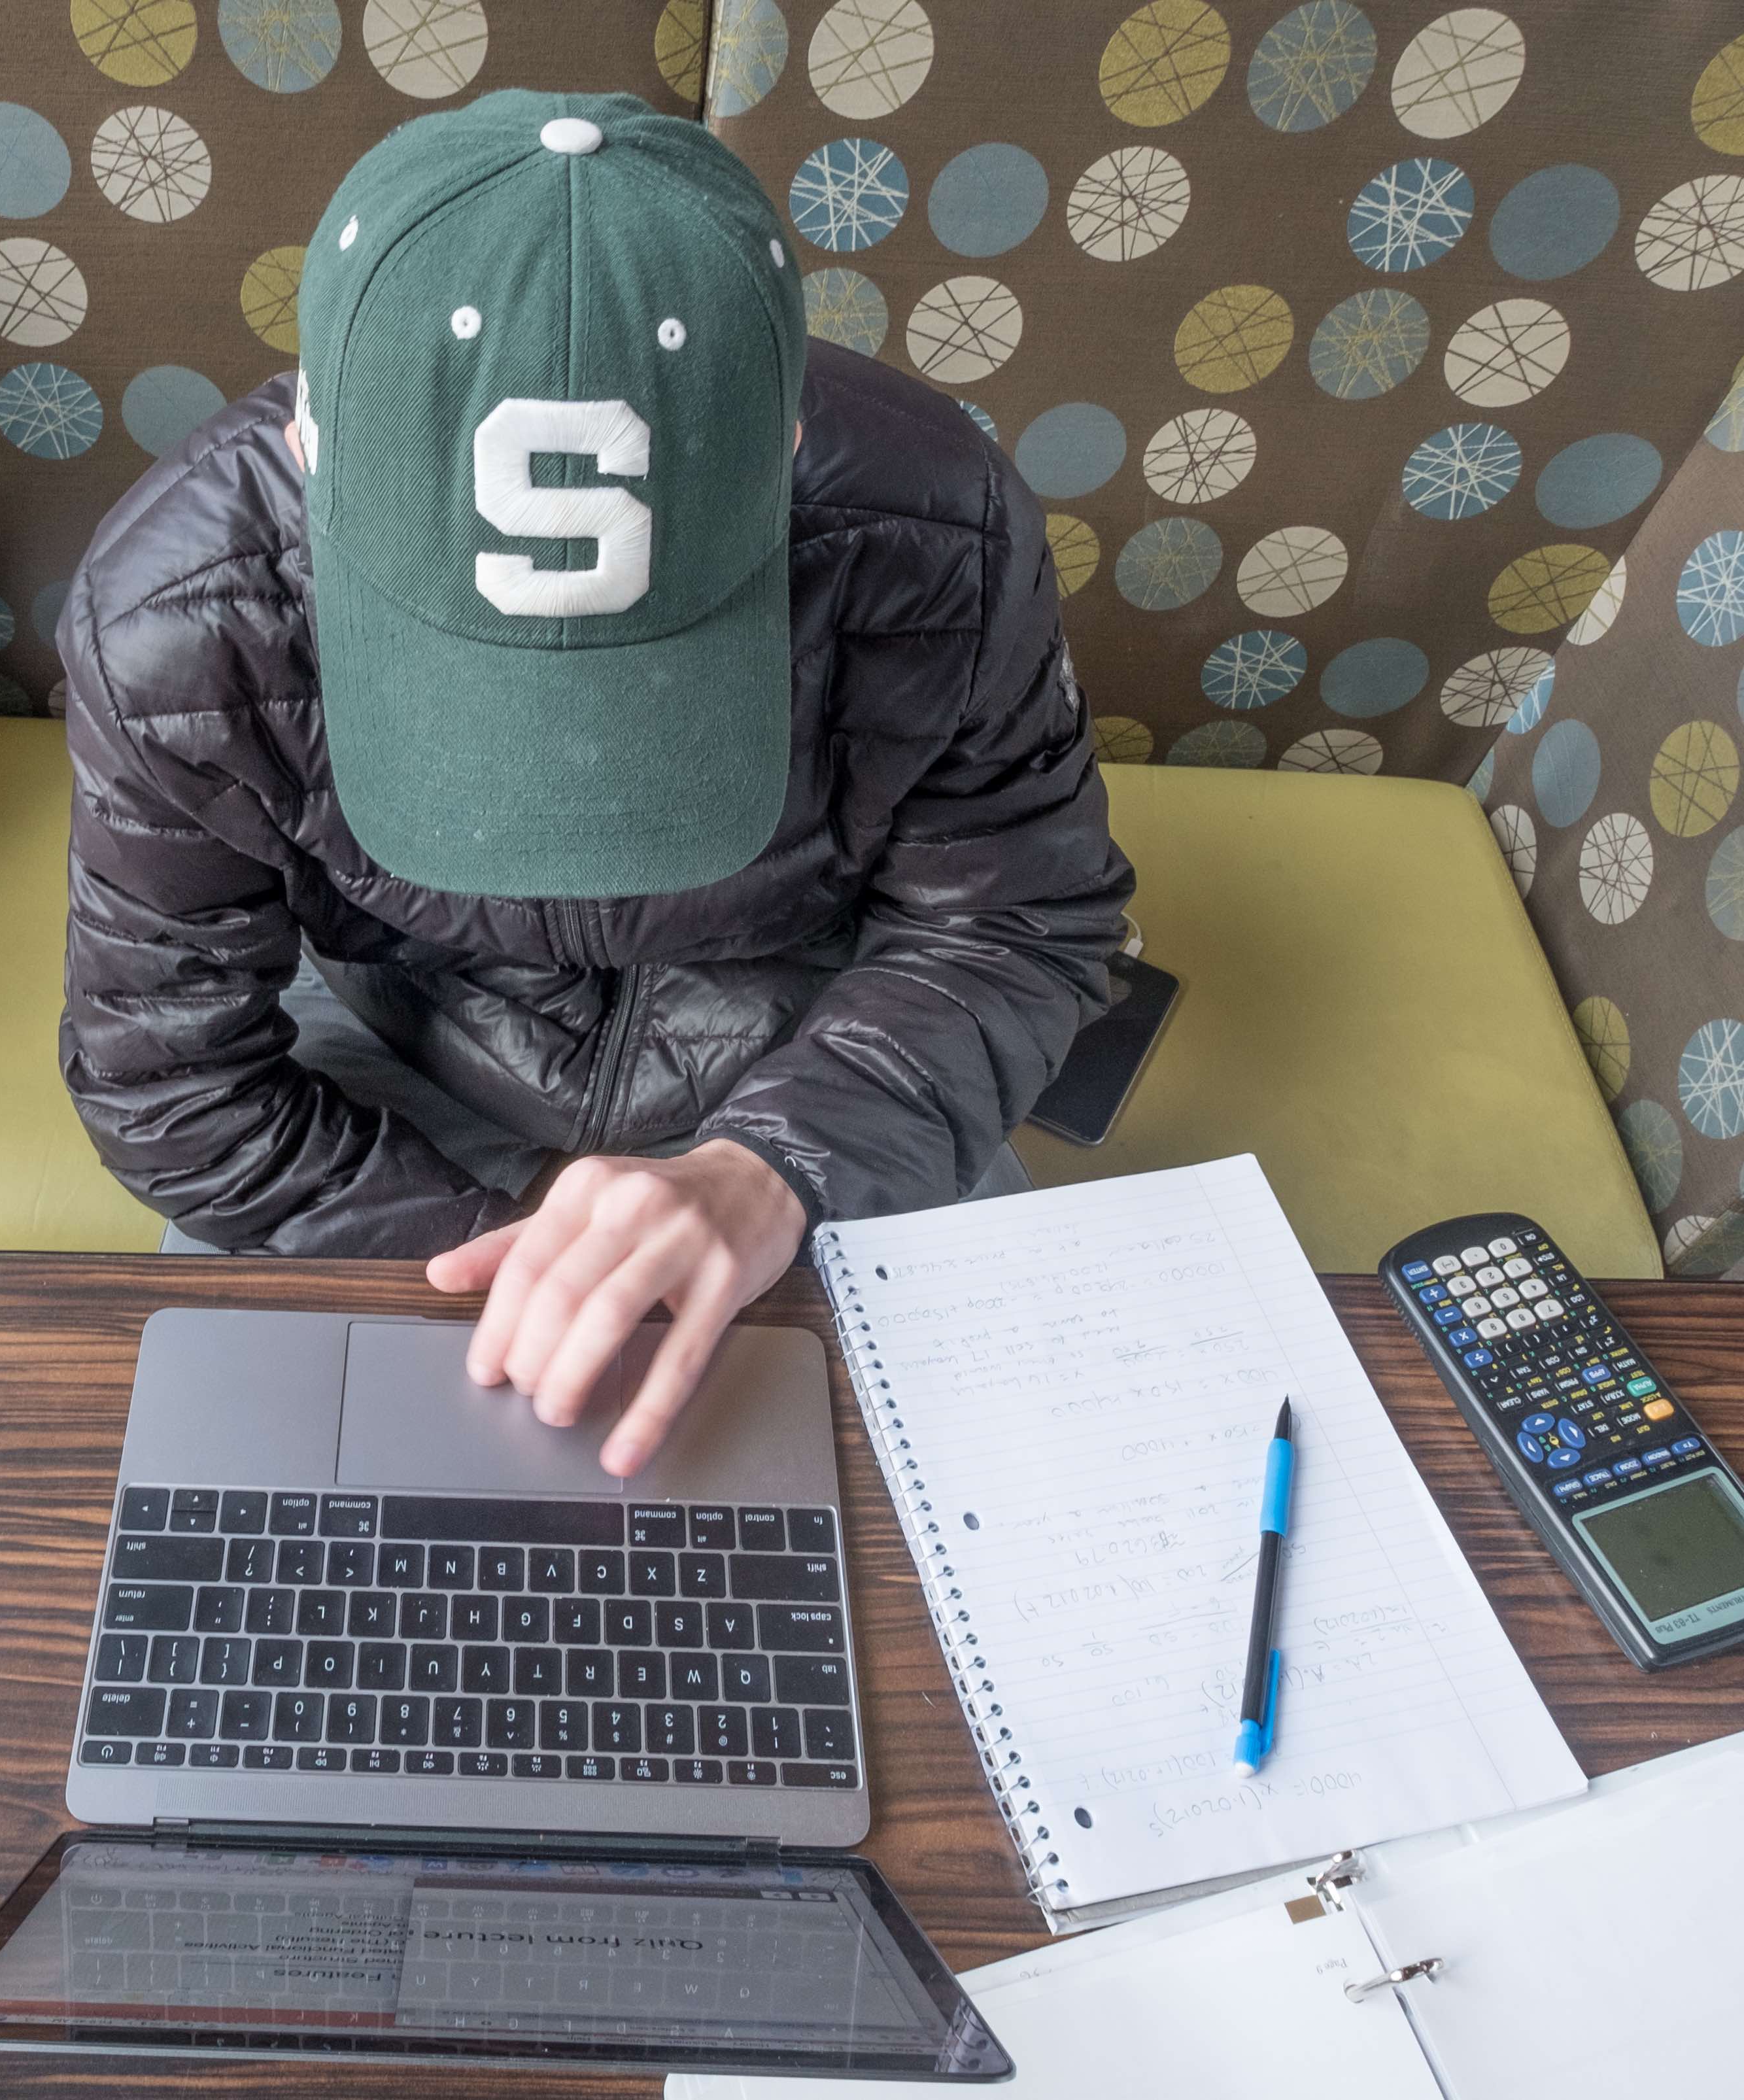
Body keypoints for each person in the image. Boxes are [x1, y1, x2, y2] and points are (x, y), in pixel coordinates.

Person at [59, 91, 1132, 1479]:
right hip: (392, 1074)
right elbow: (172, 1084)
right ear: (308, 455)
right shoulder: (178, 623)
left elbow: (1015, 923)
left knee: (989, 1494)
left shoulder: (943, 535)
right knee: (295, 1521)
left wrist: (768, 1174)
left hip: (823, 1048)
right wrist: (537, 1250)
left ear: (787, 449)